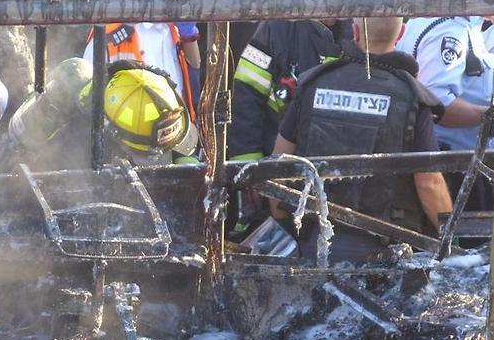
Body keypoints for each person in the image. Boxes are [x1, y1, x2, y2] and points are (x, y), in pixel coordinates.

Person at [273, 17, 453, 262]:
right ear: (401, 33)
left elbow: (279, 162)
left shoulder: (313, 83)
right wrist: (453, 243)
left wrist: (283, 218)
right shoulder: (411, 97)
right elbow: (429, 183)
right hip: (383, 251)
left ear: (355, 31)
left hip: (315, 242)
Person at [0, 58, 195, 172]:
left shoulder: (148, 89)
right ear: (112, 131)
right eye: (142, 153)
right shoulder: (77, 142)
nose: (153, 158)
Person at [228, 19, 342, 162]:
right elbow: (245, 98)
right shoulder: (276, 27)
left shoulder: (365, 28)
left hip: (342, 169)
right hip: (278, 164)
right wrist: (247, 169)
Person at [396, 16, 492, 136]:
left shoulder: (451, 23)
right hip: (446, 149)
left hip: (449, 148)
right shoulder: (451, 30)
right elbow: (437, 105)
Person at [83, 23, 200, 120]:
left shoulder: (174, 29)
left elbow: (193, 76)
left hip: (177, 134)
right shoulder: (108, 36)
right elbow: (86, 102)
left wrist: (189, 37)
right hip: (126, 143)